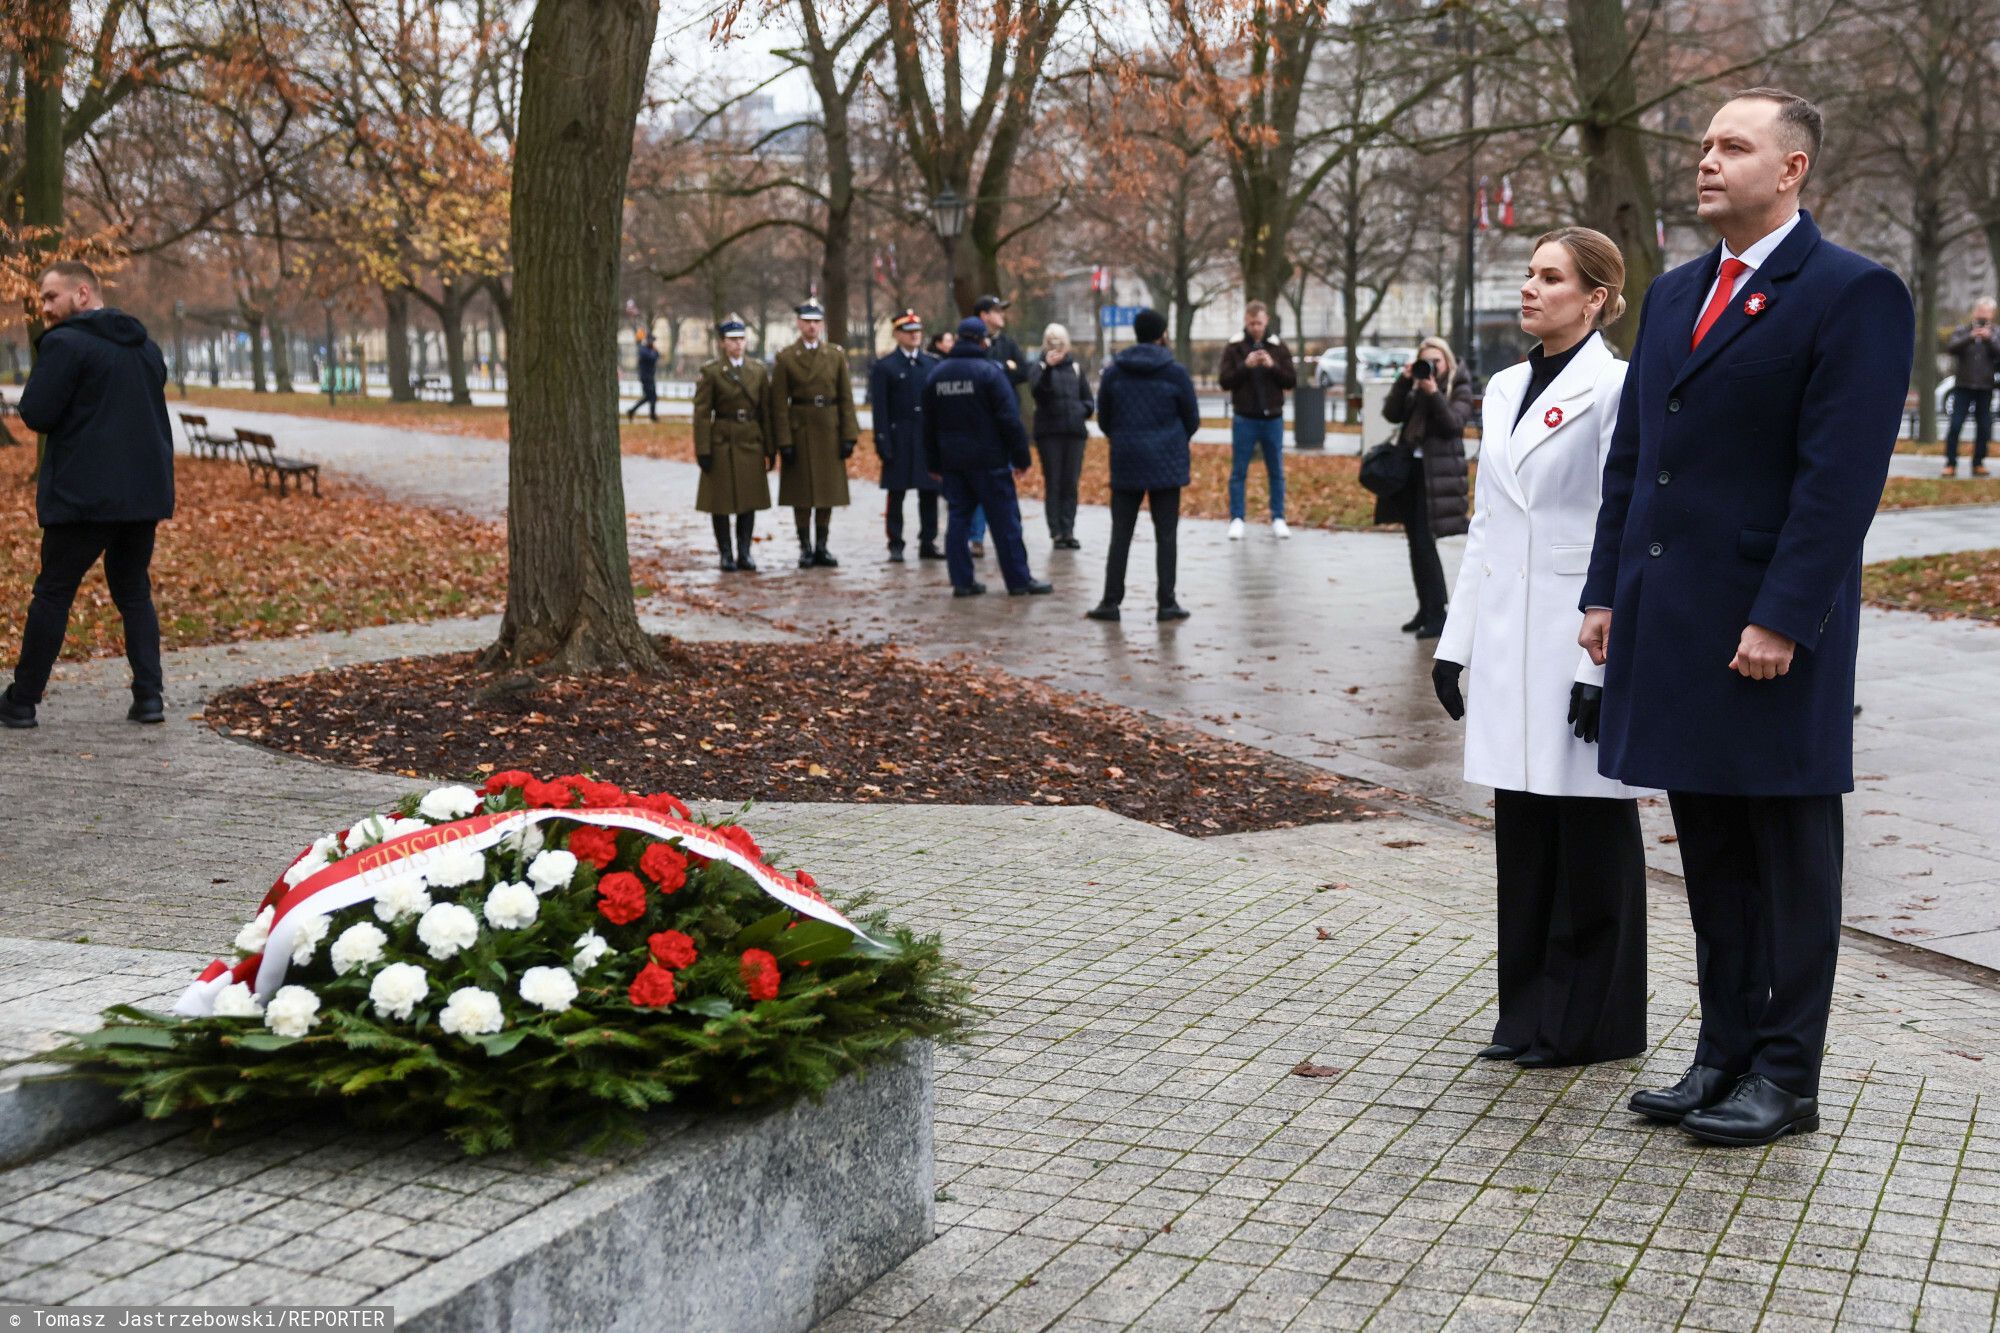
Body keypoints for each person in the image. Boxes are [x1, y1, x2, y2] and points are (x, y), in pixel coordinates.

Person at [1580, 88, 1914, 1146]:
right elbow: (1633, 461)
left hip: (1770, 633)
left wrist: (1782, 616)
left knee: (1787, 859)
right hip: (1674, 620)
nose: (1705, 161)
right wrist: (1602, 590)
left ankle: (1785, 1073)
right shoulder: (1675, 295)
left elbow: (1837, 481)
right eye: (1700, 145)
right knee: (1711, 853)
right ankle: (1720, 1051)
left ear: (1792, 169)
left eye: (1732, 145)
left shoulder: (1852, 293)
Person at [1433, 227, 1651, 1070]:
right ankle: (1525, 1012)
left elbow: (1621, 526)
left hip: (1574, 630)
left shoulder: (1617, 389)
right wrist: (1456, 643)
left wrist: (1598, 661)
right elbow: (1488, 524)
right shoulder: (1502, 386)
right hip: (1504, 636)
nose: (1529, 288)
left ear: (1594, 298)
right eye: (1528, 274)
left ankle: (1592, 1022)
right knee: (1524, 832)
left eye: (1549, 277)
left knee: (1589, 833)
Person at [2, 261, 174, 729]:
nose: (43, 308)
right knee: (134, 592)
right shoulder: (145, 348)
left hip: (84, 497)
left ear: (82, 294)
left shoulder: (64, 345)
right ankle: (150, 698)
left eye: (50, 297)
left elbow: (36, 413)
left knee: (53, 593)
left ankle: (22, 702)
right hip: (142, 494)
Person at [921, 316, 1052, 598]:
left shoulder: (938, 375)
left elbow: (928, 425)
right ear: (982, 341)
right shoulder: (989, 373)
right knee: (1005, 522)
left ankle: (962, 582)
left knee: (958, 521)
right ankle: (1018, 581)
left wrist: (933, 463)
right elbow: (1008, 419)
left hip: (953, 462)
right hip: (989, 460)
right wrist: (1021, 458)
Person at [1086, 308, 1198, 623]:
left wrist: (1123, 438)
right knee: (1166, 534)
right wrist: (1173, 440)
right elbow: (1192, 418)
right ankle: (1167, 602)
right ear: (1162, 333)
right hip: (1167, 462)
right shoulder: (1174, 371)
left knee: (1120, 533)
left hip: (1127, 459)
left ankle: (1110, 601)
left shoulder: (1114, 371)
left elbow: (1104, 418)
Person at [1380, 335, 1473, 638]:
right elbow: (1391, 414)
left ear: (1447, 360)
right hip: (1411, 471)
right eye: (1426, 361)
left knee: (1424, 543)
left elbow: (1453, 425)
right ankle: (1426, 608)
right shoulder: (1415, 385)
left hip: (1438, 475)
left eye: (1436, 361)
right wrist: (1404, 382)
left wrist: (1433, 393)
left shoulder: (1458, 384)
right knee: (1415, 543)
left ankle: (1438, 614)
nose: (1431, 366)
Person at [769, 299, 859, 568]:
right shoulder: (786, 358)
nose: (812, 327)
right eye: (807, 322)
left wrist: (849, 435)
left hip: (828, 428)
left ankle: (822, 545)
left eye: (817, 322)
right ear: (798, 324)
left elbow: (846, 397)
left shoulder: (835, 355)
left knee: (827, 491)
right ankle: (805, 546)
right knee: (802, 494)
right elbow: (778, 404)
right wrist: (783, 440)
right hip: (801, 428)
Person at [691, 315, 772, 573]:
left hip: (750, 438)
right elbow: (702, 414)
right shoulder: (712, 371)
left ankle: (745, 552)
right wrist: (703, 449)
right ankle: (726, 553)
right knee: (721, 502)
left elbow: (766, 411)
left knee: (749, 500)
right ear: (722, 343)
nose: (737, 344)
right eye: (732, 339)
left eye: (741, 339)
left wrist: (770, 448)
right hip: (722, 441)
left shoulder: (757, 371)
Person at [1218, 300, 1296, 540]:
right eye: (1251, 323)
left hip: (1272, 417)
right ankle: (1237, 518)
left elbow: (1290, 380)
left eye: (1259, 323)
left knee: (1276, 470)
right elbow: (1224, 381)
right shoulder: (1234, 347)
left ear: (1266, 321)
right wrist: (1246, 365)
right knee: (1239, 470)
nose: (1255, 328)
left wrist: (1271, 365)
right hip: (1244, 417)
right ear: (1245, 321)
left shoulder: (1278, 346)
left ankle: (1278, 517)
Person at [869, 310, 942, 562]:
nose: (915, 336)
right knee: (897, 492)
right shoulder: (885, 367)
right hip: (899, 437)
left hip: (925, 437)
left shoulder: (932, 364)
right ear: (898, 334)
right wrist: (882, 441)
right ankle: (896, 542)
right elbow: (881, 409)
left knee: (929, 491)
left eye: (918, 332)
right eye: (909, 332)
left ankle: (928, 541)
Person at [1030, 323, 1093, 550]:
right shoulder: (1039, 367)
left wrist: (1082, 410)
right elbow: (1038, 393)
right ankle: (1056, 531)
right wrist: (1047, 368)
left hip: (1074, 432)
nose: (1057, 346)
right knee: (1054, 482)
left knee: (1070, 483)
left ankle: (1069, 529)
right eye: (1052, 341)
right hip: (1049, 433)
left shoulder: (1075, 368)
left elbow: (1087, 398)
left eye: (1060, 341)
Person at [1943, 298, 1996, 477]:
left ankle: (1978, 462)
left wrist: (1989, 339)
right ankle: (1950, 462)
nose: (1983, 315)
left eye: (1987, 312)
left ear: (1992, 315)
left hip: (1985, 387)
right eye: (1980, 311)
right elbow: (1951, 348)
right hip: (1964, 385)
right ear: (1975, 312)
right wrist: (1970, 337)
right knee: (1956, 424)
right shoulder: (1963, 330)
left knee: (1984, 427)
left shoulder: (1995, 333)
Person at [626, 332, 659, 422]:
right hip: (646, 377)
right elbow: (652, 357)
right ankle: (652, 416)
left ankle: (633, 411)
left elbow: (656, 355)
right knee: (652, 397)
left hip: (650, 376)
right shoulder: (643, 350)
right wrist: (654, 352)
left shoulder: (649, 350)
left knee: (650, 397)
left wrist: (654, 352)